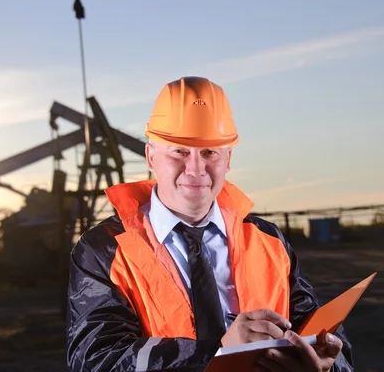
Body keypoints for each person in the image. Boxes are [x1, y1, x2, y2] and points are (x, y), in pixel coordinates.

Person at [66, 76, 354, 371]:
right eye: (179, 151)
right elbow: (97, 358)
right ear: (150, 155)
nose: (196, 169)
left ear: (228, 158)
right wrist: (220, 354)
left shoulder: (268, 240)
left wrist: (328, 365)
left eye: (210, 153)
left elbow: (316, 330)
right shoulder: (105, 249)